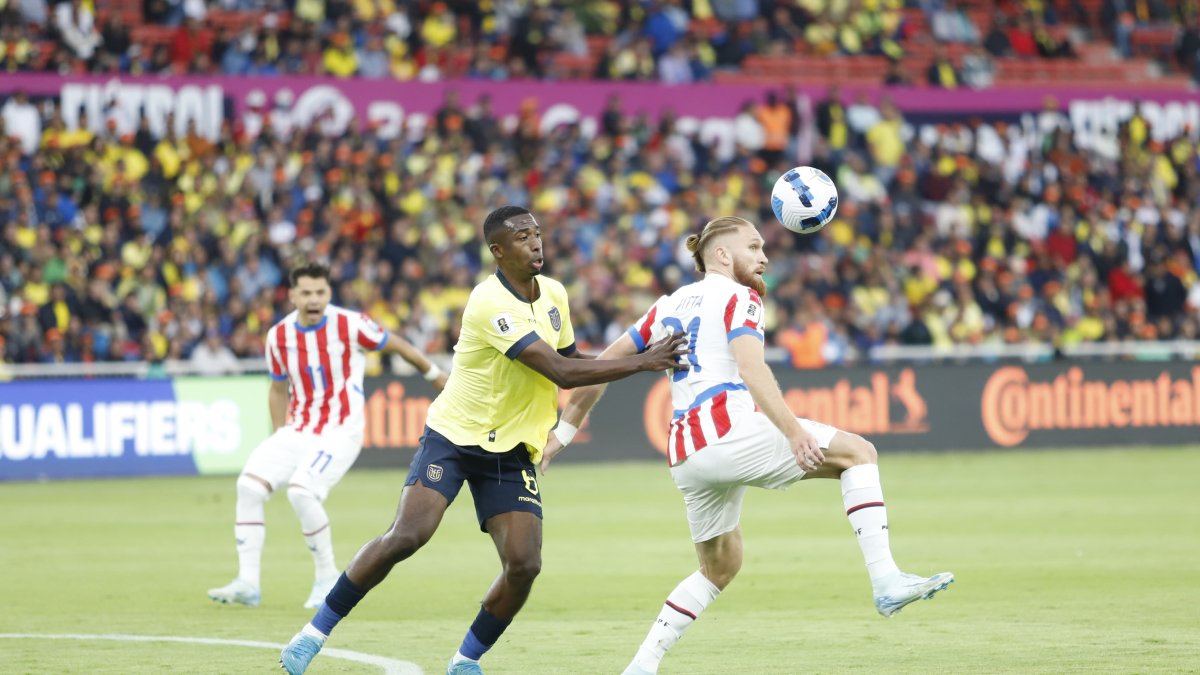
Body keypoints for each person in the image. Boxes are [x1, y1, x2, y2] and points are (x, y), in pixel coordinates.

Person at [279, 205, 689, 675]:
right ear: (498, 250)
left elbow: (579, 362)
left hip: (512, 451)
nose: (535, 243)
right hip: (454, 438)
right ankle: (313, 633)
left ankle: (465, 661)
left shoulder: (554, 294)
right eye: (521, 237)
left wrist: (570, 426)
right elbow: (562, 372)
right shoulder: (488, 302)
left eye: (537, 233)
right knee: (408, 536)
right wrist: (643, 360)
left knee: (524, 565)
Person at [540, 216, 955, 675]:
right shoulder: (741, 297)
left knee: (720, 567)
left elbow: (601, 370)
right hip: (728, 431)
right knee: (859, 453)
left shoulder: (668, 305)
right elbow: (752, 368)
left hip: (686, 455)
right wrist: (794, 432)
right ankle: (886, 580)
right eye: (754, 247)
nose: (764, 257)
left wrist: (561, 436)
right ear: (722, 254)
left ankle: (642, 665)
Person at [207, 262, 449, 609]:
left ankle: (326, 578)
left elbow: (395, 344)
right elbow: (278, 390)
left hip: (341, 430)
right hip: (298, 430)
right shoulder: (278, 336)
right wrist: (282, 436)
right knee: (248, 486)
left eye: (320, 292)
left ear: (328, 294)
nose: (313, 299)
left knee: (302, 492)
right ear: (292, 295)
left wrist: (434, 374)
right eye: (305, 293)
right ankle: (248, 583)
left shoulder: (349, 324)